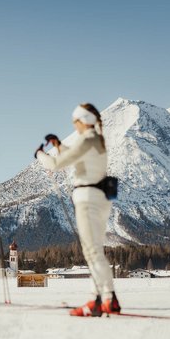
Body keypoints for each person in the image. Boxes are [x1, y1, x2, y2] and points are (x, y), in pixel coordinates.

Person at [35, 103, 121, 317]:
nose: (75, 126)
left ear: (82, 121)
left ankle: (96, 301)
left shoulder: (86, 139)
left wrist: (39, 154)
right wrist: (59, 145)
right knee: (97, 250)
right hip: (101, 198)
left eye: (75, 122)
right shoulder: (97, 139)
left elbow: (56, 164)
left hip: (87, 198)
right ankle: (110, 299)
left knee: (92, 252)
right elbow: (78, 157)